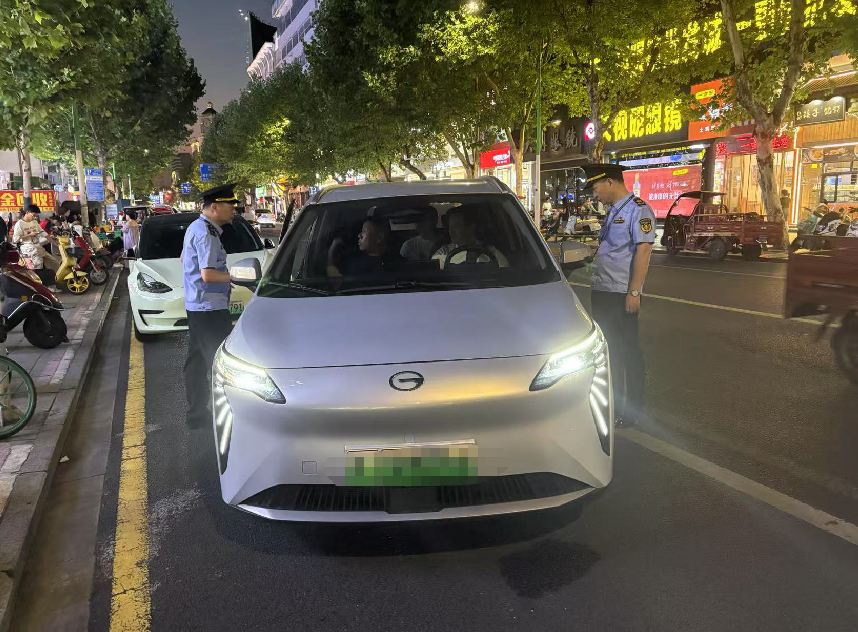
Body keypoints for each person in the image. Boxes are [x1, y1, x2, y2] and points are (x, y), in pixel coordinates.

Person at [582, 163, 655, 427]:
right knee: (609, 351)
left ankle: (632, 410)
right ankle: (613, 405)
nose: (594, 195)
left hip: (620, 293)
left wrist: (634, 292)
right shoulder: (613, 211)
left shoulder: (638, 210)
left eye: (595, 188)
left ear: (610, 182)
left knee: (627, 351)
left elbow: (644, 251)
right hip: (603, 290)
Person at [181, 183, 238, 426]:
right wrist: (236, 277)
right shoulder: (207, 234)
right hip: (209, 308)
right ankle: (228, 416)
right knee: (220, 365)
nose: (234, 210)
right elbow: (208, 275)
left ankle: (197, 414)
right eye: (230, 205)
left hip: (197, 305)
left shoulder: (196, 227)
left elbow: (183, 259)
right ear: (215, 207)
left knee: (196, 362)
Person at [432, 206, 509, 270]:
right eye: (450, 226)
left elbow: (505, 274)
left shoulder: (491, 252)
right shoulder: (444, 252)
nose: (451, 231)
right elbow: (433, 273)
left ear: (471, 228)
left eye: (456, 226)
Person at [329, 216, 401, 276]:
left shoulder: (395, 263)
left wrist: (332, 251)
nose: (359, 235)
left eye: (364, 231)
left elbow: (334, 279)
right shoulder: (351, 260)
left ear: (379, 238)